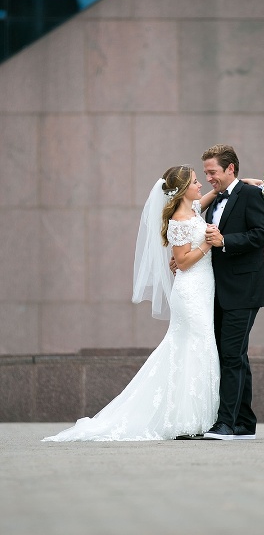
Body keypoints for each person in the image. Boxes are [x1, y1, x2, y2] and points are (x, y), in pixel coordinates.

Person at [43, 166, 220, 441]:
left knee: (194, 348)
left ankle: (194, 418)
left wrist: (246, 183)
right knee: (193, 347)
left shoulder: (194, 208)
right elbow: (182, 262)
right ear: (183, 189)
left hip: (203, 289)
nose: (200, 185)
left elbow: (214, 193)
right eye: (196, 181)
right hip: (190, 293)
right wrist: (208, 244)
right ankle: (185, 421)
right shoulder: (178, 219)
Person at [197, 144, 264, 440]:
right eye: (205, 173)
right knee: (234, 355)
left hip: (244, 289)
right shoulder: (215, 199)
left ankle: (225, 424)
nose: (208, 178)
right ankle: (244, 423)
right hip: (216, 290)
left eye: (212, 172)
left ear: (230, 168)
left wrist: (225, 241)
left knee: (231, 354)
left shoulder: (251, 195)